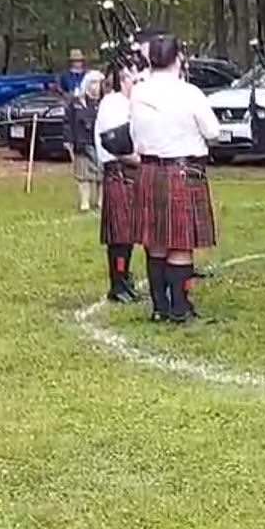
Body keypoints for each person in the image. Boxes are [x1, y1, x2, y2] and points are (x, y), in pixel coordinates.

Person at [131, 35, 221, 325]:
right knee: (180, 244)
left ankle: (160, 307)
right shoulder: (189, 92)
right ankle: (180, 308)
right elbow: (213, 131)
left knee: (156, 241)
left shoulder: (138, 92)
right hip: (182, 170)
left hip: (149, 170)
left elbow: (134, 134)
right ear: (178, 58)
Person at [96, 64, 141, 303]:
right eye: (135, 80)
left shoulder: (125, 103)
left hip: (128, 172)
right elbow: (116, 144)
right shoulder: (113, 104)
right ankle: (118, 285)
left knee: (128, 233)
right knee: (120, 235)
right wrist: (138, 159)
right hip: (119, 170)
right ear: (123, 79)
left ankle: (124, 280)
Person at [64, 70, 105, 212]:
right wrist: (68, 140)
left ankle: (101, 201)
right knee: (83, 176)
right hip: (82, 144)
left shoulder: (106, 102)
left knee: (103, 175)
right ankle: (85, 202)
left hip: (102, 144)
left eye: (98, 83)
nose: (95, 86)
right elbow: (68, 122)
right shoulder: (76, 103)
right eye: (92, 83)